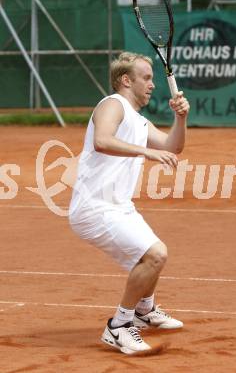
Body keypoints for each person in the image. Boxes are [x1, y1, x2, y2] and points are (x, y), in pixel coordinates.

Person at [69, 52, 190, 355]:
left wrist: (181, 118)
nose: (152, 85)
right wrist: (145, 152)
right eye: (146, 78)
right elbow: (103, 140)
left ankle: (144, 310)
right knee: (155, 255)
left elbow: (172, 146)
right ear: (126, 80)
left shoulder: (138, 119)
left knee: (151, 255)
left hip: (119, 205)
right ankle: (119, 326)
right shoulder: (112, 104)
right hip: (94, 206)